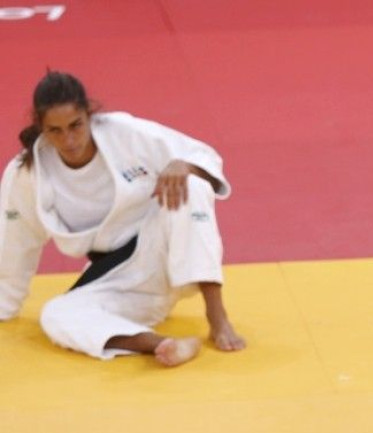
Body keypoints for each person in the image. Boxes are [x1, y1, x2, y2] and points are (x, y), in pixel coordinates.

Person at [0, 71, 246, 367]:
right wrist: (5, 306)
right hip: (119, 281)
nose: (68, 139)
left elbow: (204, 157)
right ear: (41, 127)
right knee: (55, 315)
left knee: (190, 184)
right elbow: (15, 244)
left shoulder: (124, 133)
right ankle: (162, 345)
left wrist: (184, 165)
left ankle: (217, 316)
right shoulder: (27, 173)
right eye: (55, 130)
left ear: (89, 115)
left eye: (76, 125)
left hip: (166, 250)